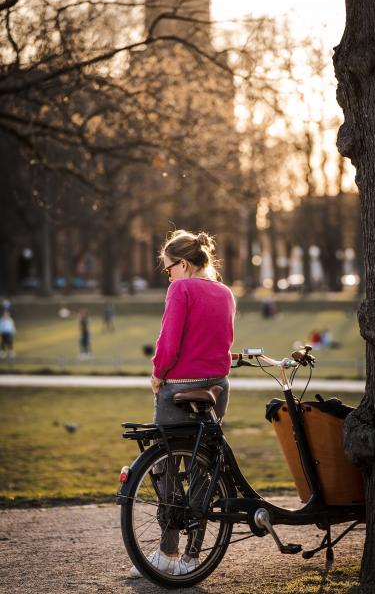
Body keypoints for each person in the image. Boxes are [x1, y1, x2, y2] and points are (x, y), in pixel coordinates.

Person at [129, 229, 236, 579]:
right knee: (202, 469)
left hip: (179, 387)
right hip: (217, 388)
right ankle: (194, 557)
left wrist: (158, 372)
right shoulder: (225, 292)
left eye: (169, 267)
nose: (168, 274)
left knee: (165, 468)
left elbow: (169, 341)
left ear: (185, 264)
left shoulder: (181, 288)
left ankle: (167, 553)